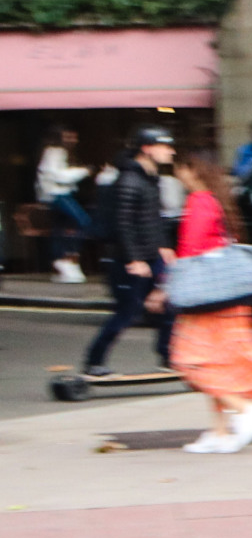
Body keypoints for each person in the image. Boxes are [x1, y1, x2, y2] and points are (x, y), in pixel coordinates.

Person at [167, 150, 252, 453]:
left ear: (191, 169)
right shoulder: (216, 200)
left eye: (179, 169)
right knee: (218, 363)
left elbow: (191, 247)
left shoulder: (199, 200)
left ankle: (244, 408)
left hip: (207, 298)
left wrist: (172, 278)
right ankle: (221, 432)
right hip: (227, 298)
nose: (177, 176)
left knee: (188, 361)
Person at [81, 128, 177, 377]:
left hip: (151, 255)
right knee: (127, 312)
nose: (171, 151)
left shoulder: (150, 178)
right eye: (165, 145)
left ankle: (168, 357)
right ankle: (94, 362)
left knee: (169, 305)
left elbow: (152, 219)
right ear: (146, 148)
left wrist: (163, 245)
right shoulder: (128, 180)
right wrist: (134, 259)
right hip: (129, 260)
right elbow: (123, 223)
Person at [35, 125, 90, 282]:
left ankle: (61, 261)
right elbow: (58, 176)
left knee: (58, 229)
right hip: (58, 194)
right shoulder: (55, 152)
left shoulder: (57, 152)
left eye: (74, 136)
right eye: (68, 136)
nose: (73, 140)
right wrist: (83, 172)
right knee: (83, 222)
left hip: (56, 194)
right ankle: (69, 257)